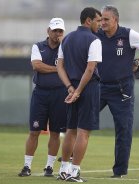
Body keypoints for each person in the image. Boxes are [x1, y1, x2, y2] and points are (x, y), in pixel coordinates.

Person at [96, 5, 139, 178]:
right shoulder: (95, 35)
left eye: (106, 19)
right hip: (99, 87)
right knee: (82, 121)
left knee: (123, 129)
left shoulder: (128, 34)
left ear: (116, 20)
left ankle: (119, 172)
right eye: (101, 19)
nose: (102, 22)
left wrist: (137, 63)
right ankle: (70, 163)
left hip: (122, 89)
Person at [56, 7, 102, 182]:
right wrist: (79, 91)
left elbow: (60, 66)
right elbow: (90, 69)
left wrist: (70, 87)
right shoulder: (94, 40)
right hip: (87, 88)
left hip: (71, 87)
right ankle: (74, 173)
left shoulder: (66, 39)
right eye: (98, 20)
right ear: (88, 21)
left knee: (70, 131)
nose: (100, 24)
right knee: (84, 132)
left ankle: (63, 171)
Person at [18, 18, 67, 177]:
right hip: (41, 93)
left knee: (55, 132)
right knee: (34, 131)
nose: (57, 34)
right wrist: (58, 68)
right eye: (55, 30)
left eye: (60, 31)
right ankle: (27, 166)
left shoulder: (65, 48)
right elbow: (37, 65)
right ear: (48, 31)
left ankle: (49, 167)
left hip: (60, 94)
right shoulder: (38, 46)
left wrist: (56, 66)